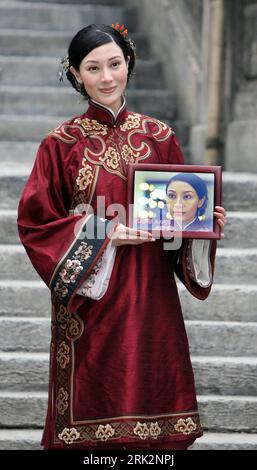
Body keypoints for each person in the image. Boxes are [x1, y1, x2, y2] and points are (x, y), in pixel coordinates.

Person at [17, 23, 226, 450]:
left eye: (115, 64)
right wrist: (106, 234)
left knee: (153, 408)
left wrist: (202, 230)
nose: (107, 77)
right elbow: (36, 224)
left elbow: (178, 221)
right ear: (75, 74)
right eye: (93, 68)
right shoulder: (60, 145)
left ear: (129, 63)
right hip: (91, 302)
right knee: (93, 403)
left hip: (151, 294)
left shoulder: (160, 138)